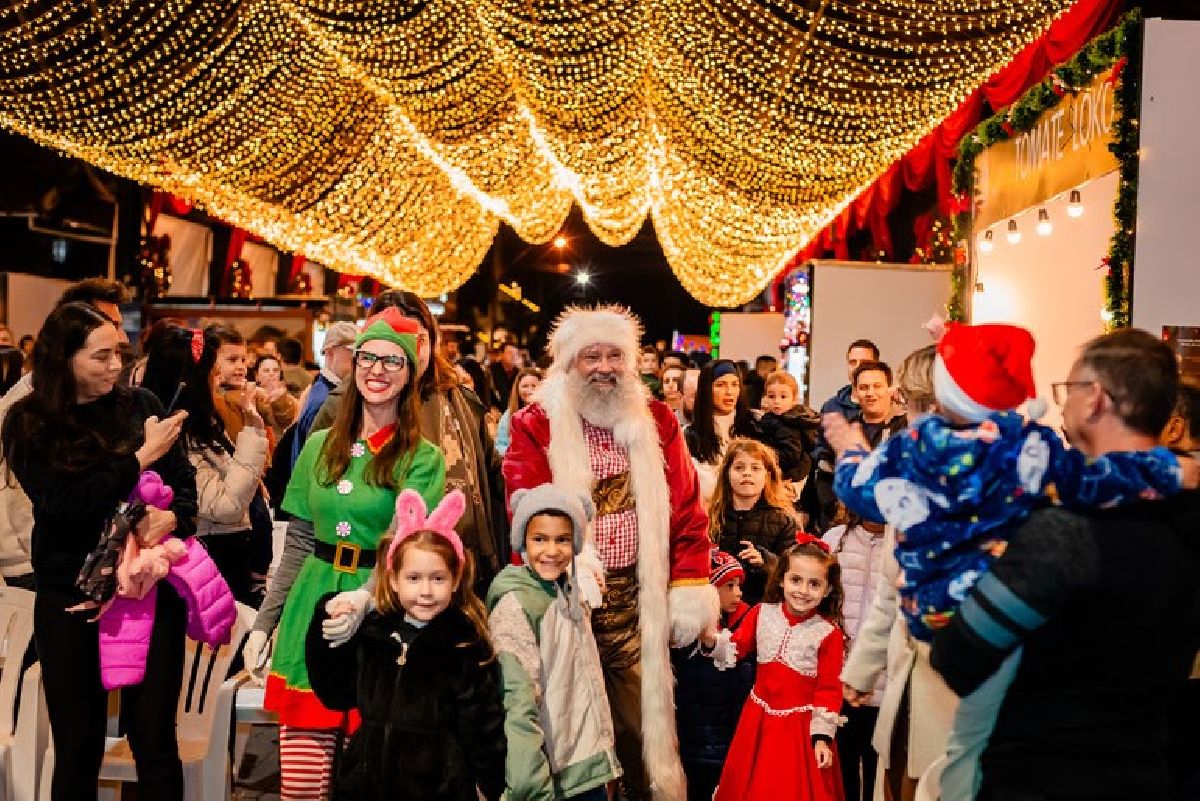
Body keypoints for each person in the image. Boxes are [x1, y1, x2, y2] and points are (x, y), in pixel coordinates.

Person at [929, 328, 1200, 801]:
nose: (1063, 404)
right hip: (1148, 773)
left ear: (1094, 399)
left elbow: (959, 657)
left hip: (1042, 777)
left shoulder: (1066, 533)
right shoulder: (1186, 520)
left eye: (1069, 390)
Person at [830, 324, 1184, 640]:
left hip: (929, 605)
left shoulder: (916, 446)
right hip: (989, 599)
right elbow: (1093, 478)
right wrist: (1170, 470)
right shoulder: (1028, 448)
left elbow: (862, 493)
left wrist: (851, 455)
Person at [502, 305, 717, 801]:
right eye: (589, 357)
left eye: (614, 356)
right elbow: (525, 504)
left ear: (632, 361)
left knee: (641, 732)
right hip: (565, 600)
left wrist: (689, 583)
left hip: (638, 604)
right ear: (567, 364)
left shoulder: (658, 420)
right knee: (568, 735)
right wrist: (568, 563)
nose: (603, 367)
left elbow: (686, 508)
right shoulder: (536, 423)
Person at [245, 307, 446, 800]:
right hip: (308, 613)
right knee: (303, 786)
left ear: (410, 374)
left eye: (392, 362)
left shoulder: (423, 458)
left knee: (371, 781)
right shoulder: (317, 445)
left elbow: (405, 547)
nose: (377, 371)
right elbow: (296, 543)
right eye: (368, 358)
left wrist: (364, 598)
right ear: (352, 365)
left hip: (379, 623)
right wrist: (264, 624)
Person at [1, 302, 196, 800]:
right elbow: (67, 504)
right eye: (100, 356)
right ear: (63, 358)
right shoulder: (29, 421)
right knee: (79, 747)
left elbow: (185, 490)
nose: (115, 367)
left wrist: (173, 517)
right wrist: (140, 458)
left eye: (119, 354)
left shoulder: (142, 405)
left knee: (155, 741)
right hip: (71, 598)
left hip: (149, 593)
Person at [306, 489, 505, 801]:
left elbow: (483, 727)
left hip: (437, 789)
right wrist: (327, 623)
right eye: (414, 578)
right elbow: (335, 693)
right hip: (364, 785)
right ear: (394, 579)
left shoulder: (465, 644)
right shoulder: (374, 634)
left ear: (455, 579)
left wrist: (491, 785)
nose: (425, 591)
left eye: (437, 578)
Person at [313, 292, 508, 590]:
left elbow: (493, 474)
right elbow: (316, 487)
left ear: (432, 341)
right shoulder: (344, 405)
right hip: (375, 571)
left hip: (463, 564)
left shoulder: (459, 400)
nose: (408, 350)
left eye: (419, 340)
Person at [836, 344, 956, 801]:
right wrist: (862, 668)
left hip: (950, 688)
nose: (909, 413)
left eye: (917, 402)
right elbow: (890, 587)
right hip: (906, 682)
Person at [486, 484, 621, 801]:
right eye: (539, 539)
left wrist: (604, 756)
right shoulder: (516, 604)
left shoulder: (568, 590)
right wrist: (529, 785)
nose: (551, 550)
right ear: (522, 540)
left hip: (584, 764)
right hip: (550, 775)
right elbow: (517, 703)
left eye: (562, 539)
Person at [0, 278, 128, 594]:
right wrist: (19, 560)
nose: (121, 336)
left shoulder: (97, 402)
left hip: (88, 557)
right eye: (110, 324)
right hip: (34, 562)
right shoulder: (24, 407)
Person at [706, 536, 847, 801]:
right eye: (796, 580)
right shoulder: (762, 613)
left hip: (800, 733)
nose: (803, 590)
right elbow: (735, 649)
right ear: (782, 579)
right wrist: (710, 639)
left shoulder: (828, 633)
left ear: (828, 590)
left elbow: (829, 689)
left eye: (814, 584)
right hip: (757, 722)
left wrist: (821, 739)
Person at [141, 322, 269, 607]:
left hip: (224, 554)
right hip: (207, 558)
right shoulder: (175, 434)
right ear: (190, 381)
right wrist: (252, 434)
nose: (218, 379)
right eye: (212, 374)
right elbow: (225, 506)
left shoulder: (202, 423)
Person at [672, 549, 755, 801]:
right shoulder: (684, 645)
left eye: (738, 585)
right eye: (729, 585)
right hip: (698, 745)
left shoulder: (741, 629)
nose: (738, 593)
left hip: (725, 743)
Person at [823, 513, 888, 801]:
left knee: (879, 774)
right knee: (842, 768)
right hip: (839, 681)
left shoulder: (905, 547)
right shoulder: (835, 541)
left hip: (885, 684)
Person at [707, 438, 800, 605]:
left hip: (762, 607)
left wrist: (765, 561)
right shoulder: (712, 516)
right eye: (739, 468)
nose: (746, 473)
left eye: (755, 468)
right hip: (717, 607)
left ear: (768, 475)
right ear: (727, 474)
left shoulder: (783, 521)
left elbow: (794, 571)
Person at [811, 340, 879, 529]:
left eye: (864, 362)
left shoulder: (884, 405)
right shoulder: (832, 407)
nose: (857, 368)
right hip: (836, 491)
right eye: (852, 362)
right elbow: (820, 450)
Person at [685, 358, 760, 506]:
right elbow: (704, 487)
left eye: (734, 384)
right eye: (720, 385)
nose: (729, 392)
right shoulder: (690, 436)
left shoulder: (756, 425)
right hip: (712, 516)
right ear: (707, 389)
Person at [290, 321, 358, 469]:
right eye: (352, 357)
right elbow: (316, 460)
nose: (358, 364)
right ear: (330, 352)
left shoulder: (322, 389)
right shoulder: (325, 399)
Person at [755, 370, 821, 505]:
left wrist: (763, 454)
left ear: (794, 399)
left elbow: (790, 455)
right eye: (771, 396)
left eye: (783, 397)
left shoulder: (789, 423)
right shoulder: (775, 419)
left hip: (789, 477)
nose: (777, 401)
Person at [494, 367, 542, 458]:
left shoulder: (548, 414)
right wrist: (517, 453)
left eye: (534, 386)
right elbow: (500, 445)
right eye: (525, 386)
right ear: (517, 388)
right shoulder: (509, 415)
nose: (529, 390)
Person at [251, 354, 299, 442]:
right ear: (256, 376)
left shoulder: (291, 401)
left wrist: (280, 400)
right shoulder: (252, 399)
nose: (271, 374)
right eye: (266, 371)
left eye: (275, 370)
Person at [489, 341, 520, 414]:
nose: (513, 356)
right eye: (510, 353)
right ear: (501, 354)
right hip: (495, 413)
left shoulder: (519, 373)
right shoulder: (490, 371)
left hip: (514, 412)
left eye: (516, 354)